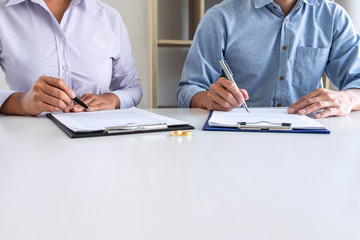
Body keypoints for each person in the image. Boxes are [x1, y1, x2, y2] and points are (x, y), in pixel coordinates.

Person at [177, 0, 360, 119]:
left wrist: (348, 98)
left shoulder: (333, 17)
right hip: (236, 138)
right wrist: (207, 99)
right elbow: (188, 89)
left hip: (308, 140)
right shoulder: (219, 17)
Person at [0, 0, 142, 116]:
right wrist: (22, 102)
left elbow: (132, 88)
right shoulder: (3, 14)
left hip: (96, 141)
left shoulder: (109, 17)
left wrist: (114, 100)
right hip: (25, 140)